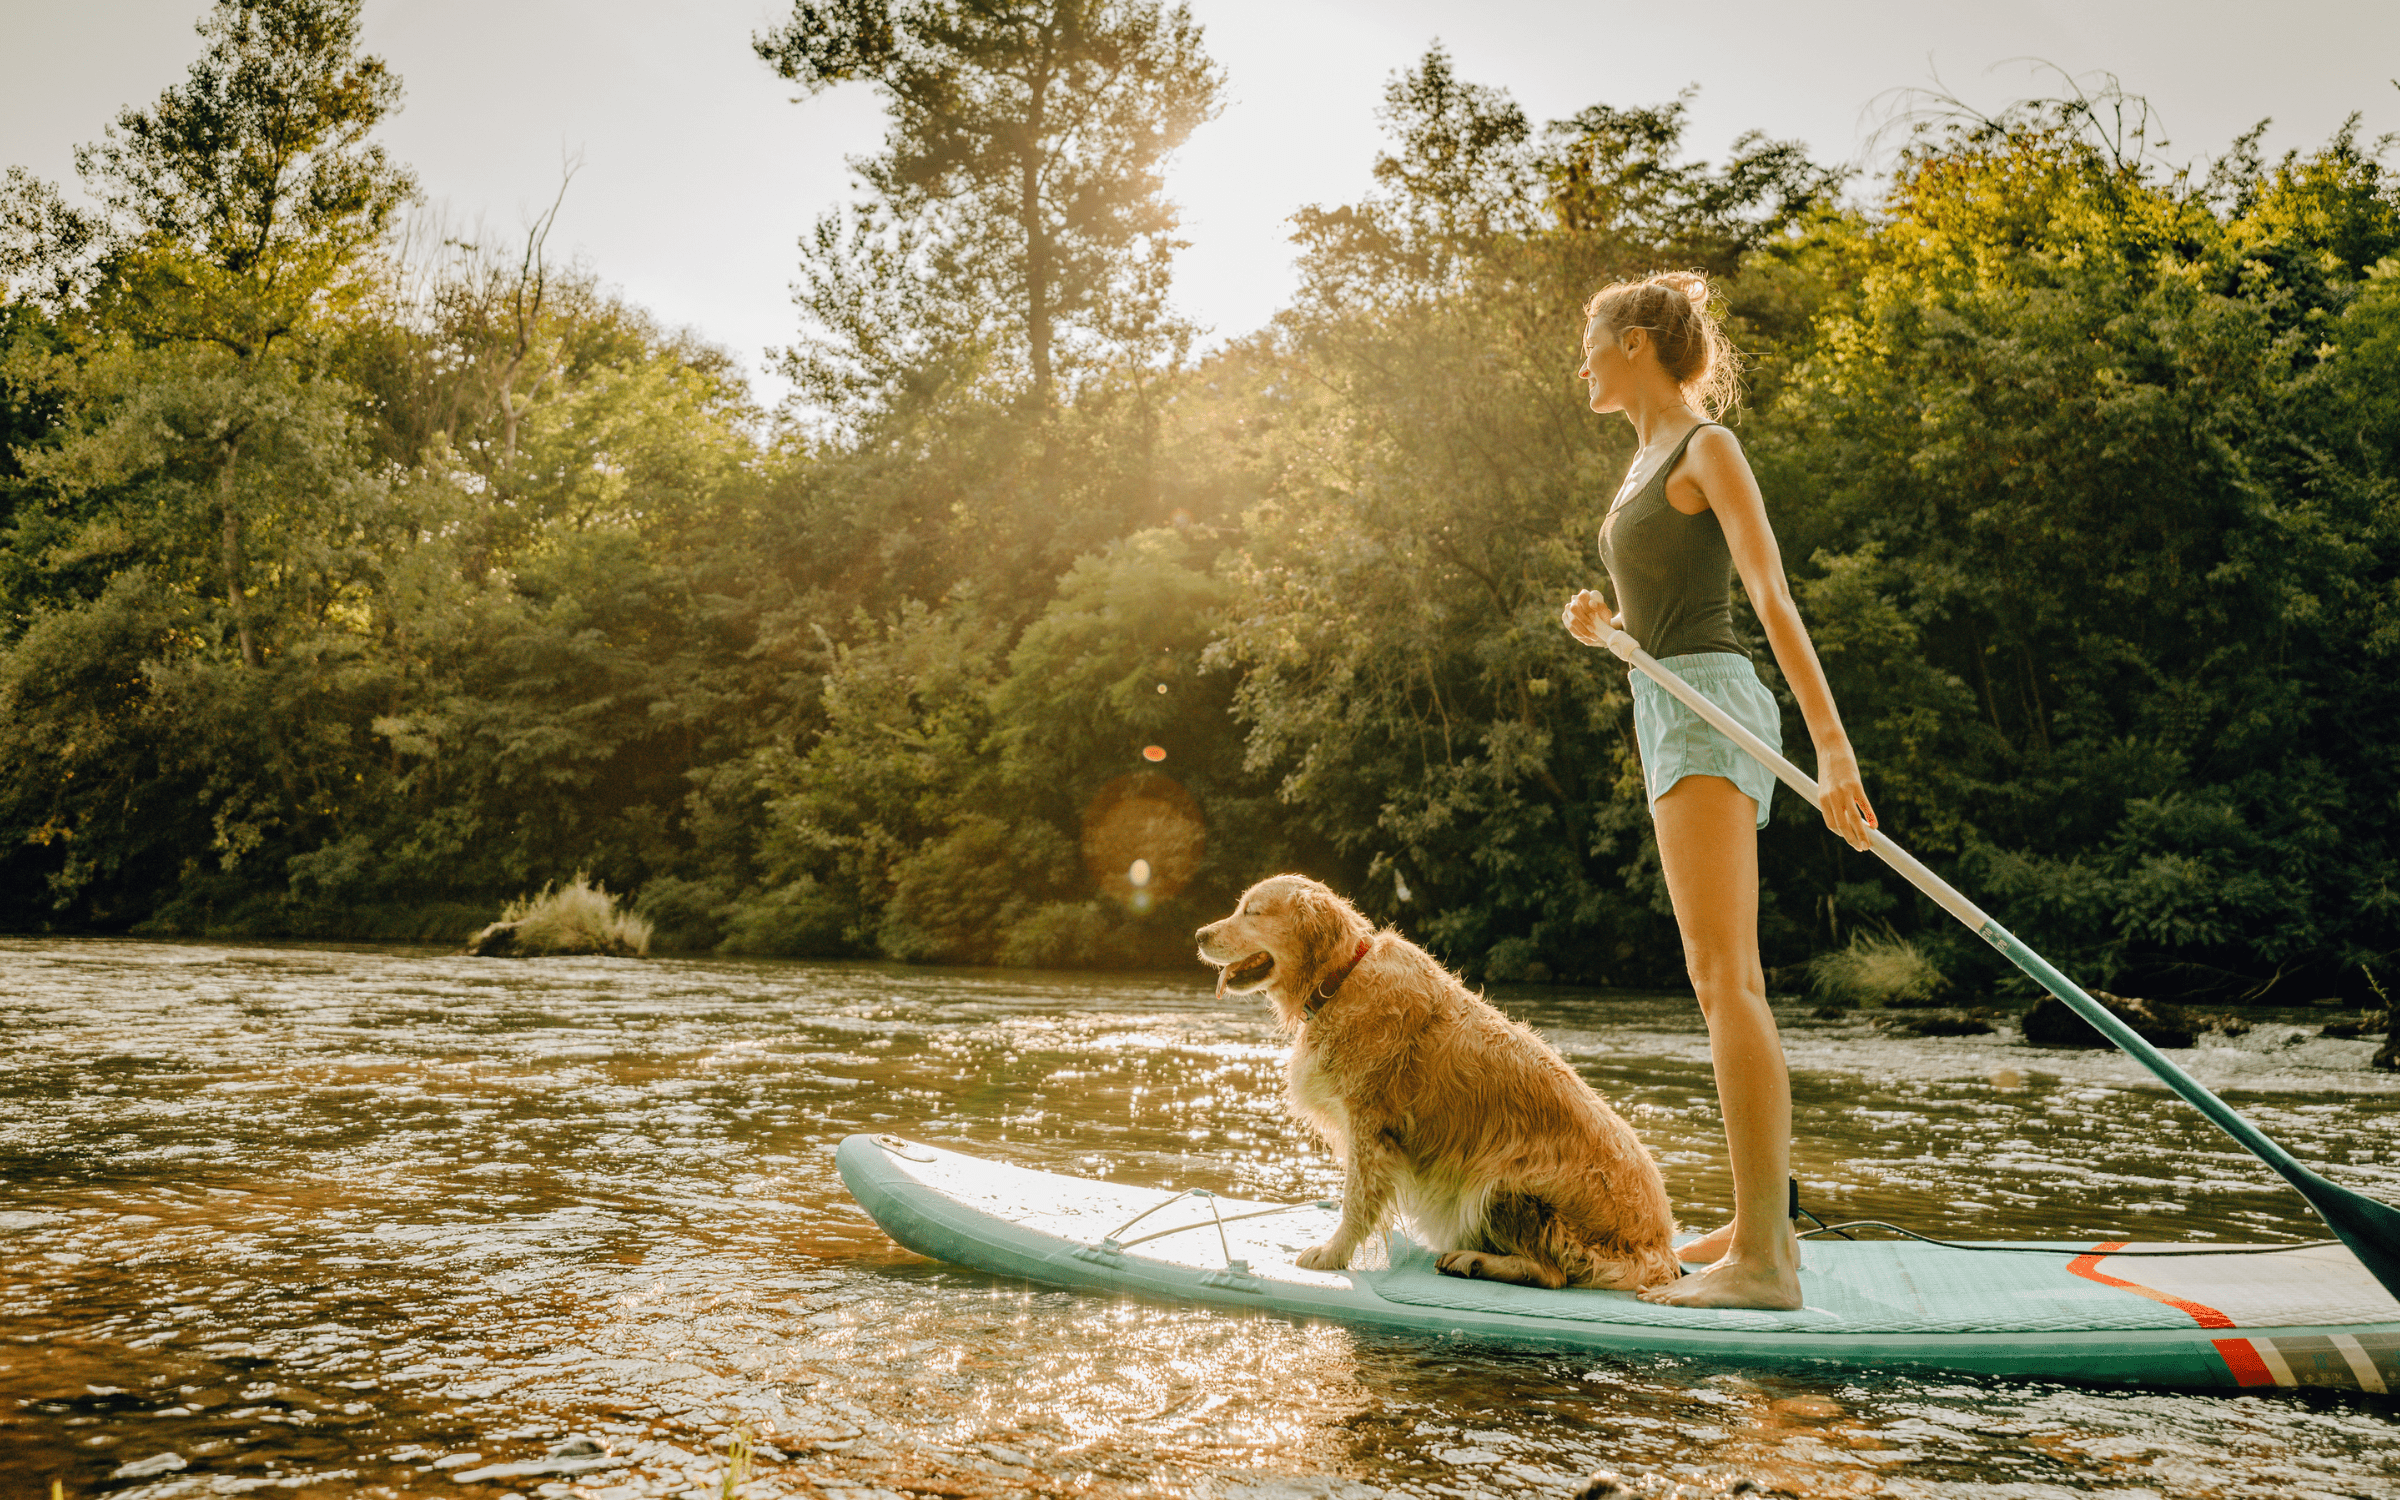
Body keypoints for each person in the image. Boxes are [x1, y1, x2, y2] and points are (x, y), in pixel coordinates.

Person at [1560, 271, 1875, 1310]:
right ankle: (1757, 1219)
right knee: (1715, 978)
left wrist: (1836, 754)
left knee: (1724, 976)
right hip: (1667, 704)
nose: (1585, 358)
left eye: (1595, 339)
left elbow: (1768, 599)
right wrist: (1610, 632)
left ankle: (1766, 1266)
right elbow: (1665, 618)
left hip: (1712, 707)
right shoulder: (1641, 461)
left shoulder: (1708, 449)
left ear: (1640, 342)